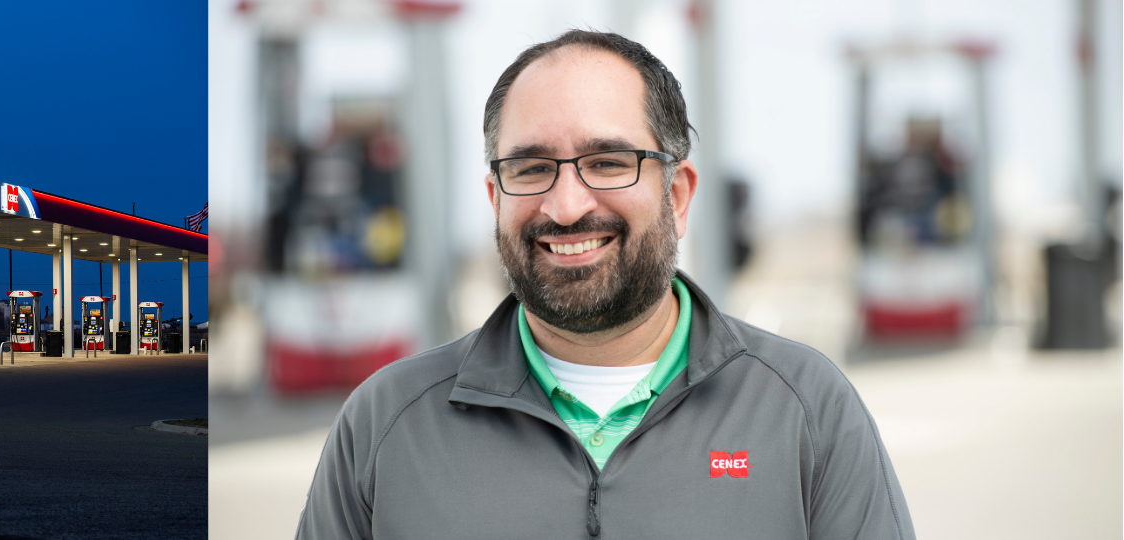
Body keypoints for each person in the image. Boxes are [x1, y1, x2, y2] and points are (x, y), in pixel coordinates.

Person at [296, 30, 914, 539]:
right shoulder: (384, 426)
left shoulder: (805, 409)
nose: (566, 206)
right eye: (530, 168)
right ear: (494, 198)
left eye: (608, 163)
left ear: (677, 195)